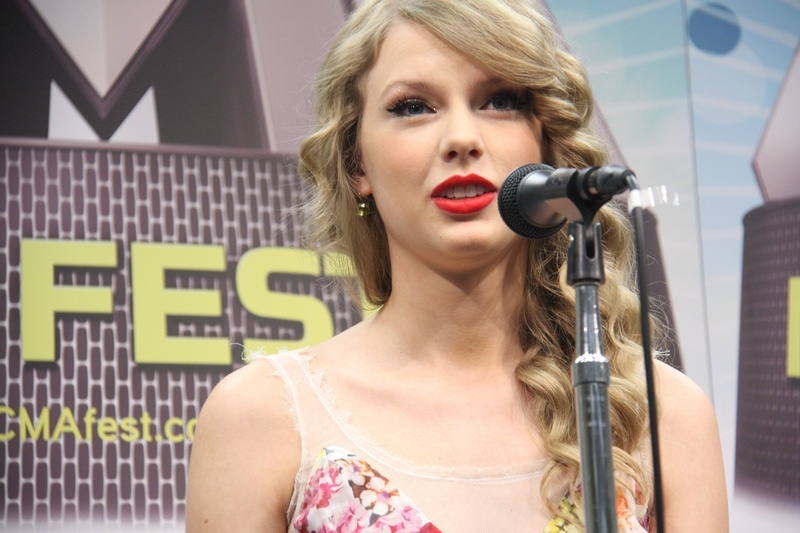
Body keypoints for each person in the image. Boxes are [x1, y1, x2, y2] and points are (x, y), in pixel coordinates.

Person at [185, 0, 728, 531]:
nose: (463, 139)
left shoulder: (660, 415)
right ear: (356, 163)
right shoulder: (263, 419)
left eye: (500, 101)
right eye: (413, 107)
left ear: (546, 145)